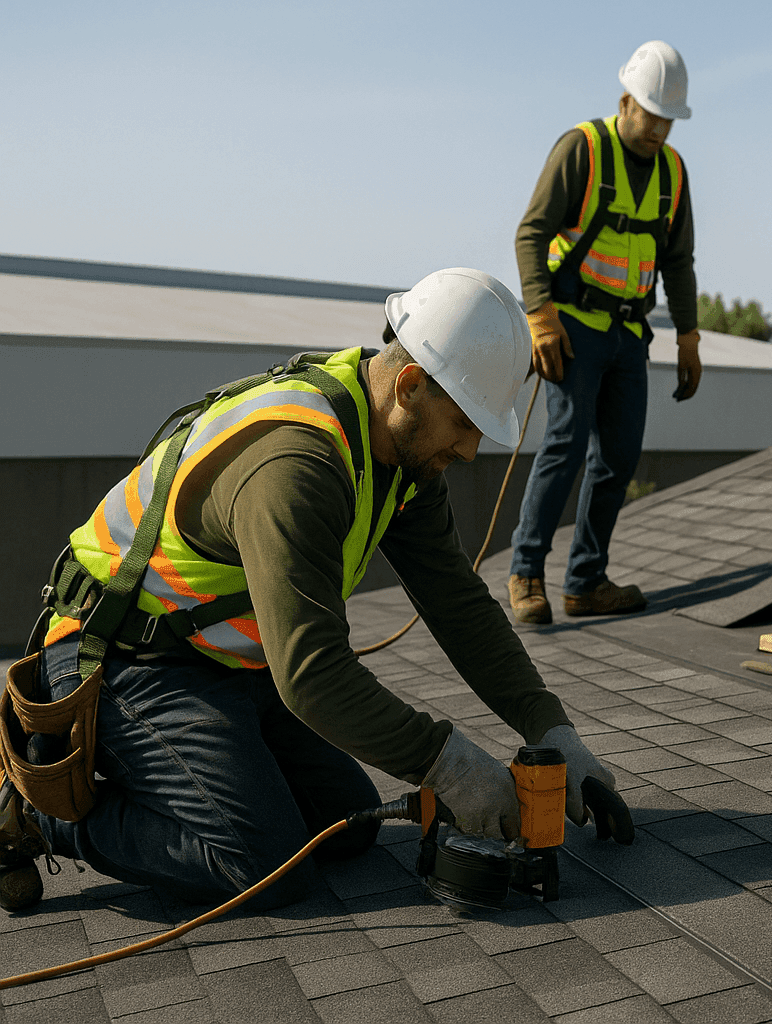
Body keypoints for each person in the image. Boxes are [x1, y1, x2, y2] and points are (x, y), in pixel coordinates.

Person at [1, 269, 619, 914]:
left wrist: (552, 731)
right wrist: (448, 762)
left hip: (218, 659)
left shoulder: (398, 450)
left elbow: (457, 601)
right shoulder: (297, 465)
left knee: (349, 822)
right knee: (263, 861)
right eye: (465, 423)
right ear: (410, 385)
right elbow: (312, 675)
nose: (468, 450)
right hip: (121, 656)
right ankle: (39, 812)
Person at [507, 40, 702, 624]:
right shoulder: (583, 149)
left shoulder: (672, 172)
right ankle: (525, 573)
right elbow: (531, 235)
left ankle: (585, 581)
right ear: (625, 101)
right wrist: (539, 317)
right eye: (651, 114)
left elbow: (679, 260)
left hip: (627, 335)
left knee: (618, 455)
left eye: (669, 119)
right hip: (572, 328)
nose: (659, 129)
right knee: (566, 445)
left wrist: (687, 336)